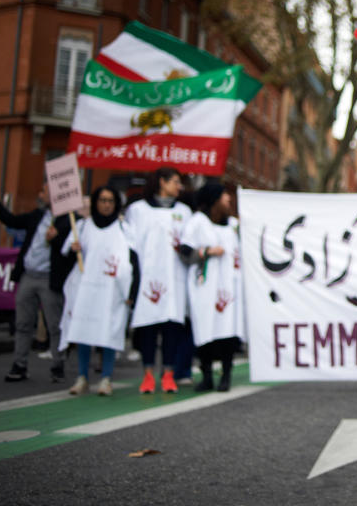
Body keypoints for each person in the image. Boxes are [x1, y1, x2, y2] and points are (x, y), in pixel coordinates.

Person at [0, 182, 73, 382]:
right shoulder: (37, 216)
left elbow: (71, 251)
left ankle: (58, 365)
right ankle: (19, 364)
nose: (41, 194)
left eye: (45, 192)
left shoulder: (69, 221)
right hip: (29, 276)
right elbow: (11, 220)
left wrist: (56, 239)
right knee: (23, 323)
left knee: (54, 324)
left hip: (49, 279)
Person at [61, 187, 140, 396]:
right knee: (84, 332)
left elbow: (134, 261)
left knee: (108, 332)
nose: (106, 205)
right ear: (96, 202)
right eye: (102, 200)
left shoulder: (124, 228)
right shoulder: (82, 227)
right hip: (86, 289)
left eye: (110, 201)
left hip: (112, 292)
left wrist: (132, 292)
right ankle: (82, 377)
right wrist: (73, 251)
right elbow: (64, 260)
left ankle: (106, 377)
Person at [125, 167, 193, 394]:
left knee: (172, 328)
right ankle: (147, 375)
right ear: (162, 183)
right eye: (175, 182)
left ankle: (169, 374)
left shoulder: (184, 212)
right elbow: (130, 246)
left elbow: (191, 243)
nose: (179, 187)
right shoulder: (138, 210)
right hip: (148, 279)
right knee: (148, 328)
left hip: (175, 280)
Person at [179, 182, 246, 392]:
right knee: (204, 329)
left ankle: (226, 375)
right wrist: (205, 252)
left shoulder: (233, 225)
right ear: (214, 199)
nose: (228, 201)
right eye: (224, 197)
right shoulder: (197, 222)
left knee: (227, 330)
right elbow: (184, 251)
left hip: (228, 286)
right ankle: (207, 375)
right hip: (205, 286)